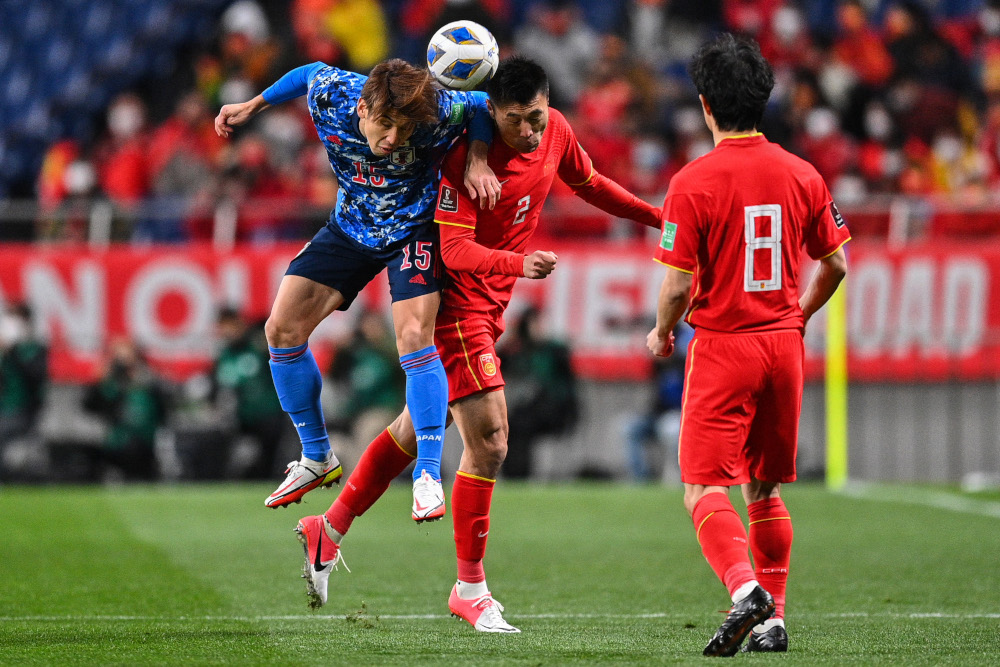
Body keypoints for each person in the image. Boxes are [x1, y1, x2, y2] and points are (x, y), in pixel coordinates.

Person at [292, 56, 662, 632]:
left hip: (493, 305)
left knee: (417, 424)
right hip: (457, 302)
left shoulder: (556, 131)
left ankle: (329, 527)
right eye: (517, 120)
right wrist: (521, 262)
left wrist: (657, 217)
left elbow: (589, 183)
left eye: (537, 117)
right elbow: (456, 252)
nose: (531, 132)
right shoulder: (463, 160)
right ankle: (470, 588)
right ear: (493, 111)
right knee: (489, 440)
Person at [215, 58, 502, 515]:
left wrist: (480, 160)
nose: (393, 140)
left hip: (414, 230)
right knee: (281, 330)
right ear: (364, 108)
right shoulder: (333, 95)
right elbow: (307, 71)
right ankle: (317, 456)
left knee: (413, 337)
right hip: (350, 227)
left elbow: (484, 104)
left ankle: (428, 473)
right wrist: (255, 103)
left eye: (406, 131)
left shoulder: (438, 107)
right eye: (386, 125)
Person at [645, 34, 850, 656]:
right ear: (764, 100)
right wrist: (800, 315)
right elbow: (836, 265)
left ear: (706, 105)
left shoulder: (693, 181)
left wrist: (659, 331)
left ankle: (744, 592)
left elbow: (678, 285)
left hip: (725, 344)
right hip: (783, 345)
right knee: (764, 487)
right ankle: (774, 619)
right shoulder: (802, 173)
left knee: (703, 486)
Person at [499, 306, 579, 479]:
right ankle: (513, 472)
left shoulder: (555, 350)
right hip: (528, 410)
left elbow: (568, 386)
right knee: (510, 423)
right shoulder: (519, 350)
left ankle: (519, 473)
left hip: (554, 409)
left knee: (520, 424)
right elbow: (498, 362)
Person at [211, 308, 287, 479]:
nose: (228, 331)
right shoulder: (223, 355)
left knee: (270, 461)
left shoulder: (257, 347)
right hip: (239, 419)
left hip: (268, 415)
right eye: (224, 327)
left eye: (231, 325)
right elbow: (217, 388)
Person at [83, 339, 170, 481]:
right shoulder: (112, 382)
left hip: (146, 440)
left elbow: (162, 410)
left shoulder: (149, 381)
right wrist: (98, 383)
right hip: (118, 440)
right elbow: (91, 406)